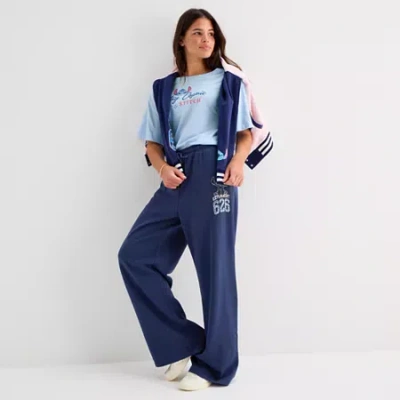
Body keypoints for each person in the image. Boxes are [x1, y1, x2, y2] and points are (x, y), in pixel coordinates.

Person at [118, 8, 263, 391]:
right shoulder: (163, 88)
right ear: (182, 39)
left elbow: (245, 132)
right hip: (175, 176)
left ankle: (218, 366)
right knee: (135, 256)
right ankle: (182, 344)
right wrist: (161, 169)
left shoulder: (228, 81)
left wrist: (237, 162)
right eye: (197, 32)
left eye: (211, 33)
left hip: (214, 175)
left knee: (216, 271)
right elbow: (151, 142)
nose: (206, 39)